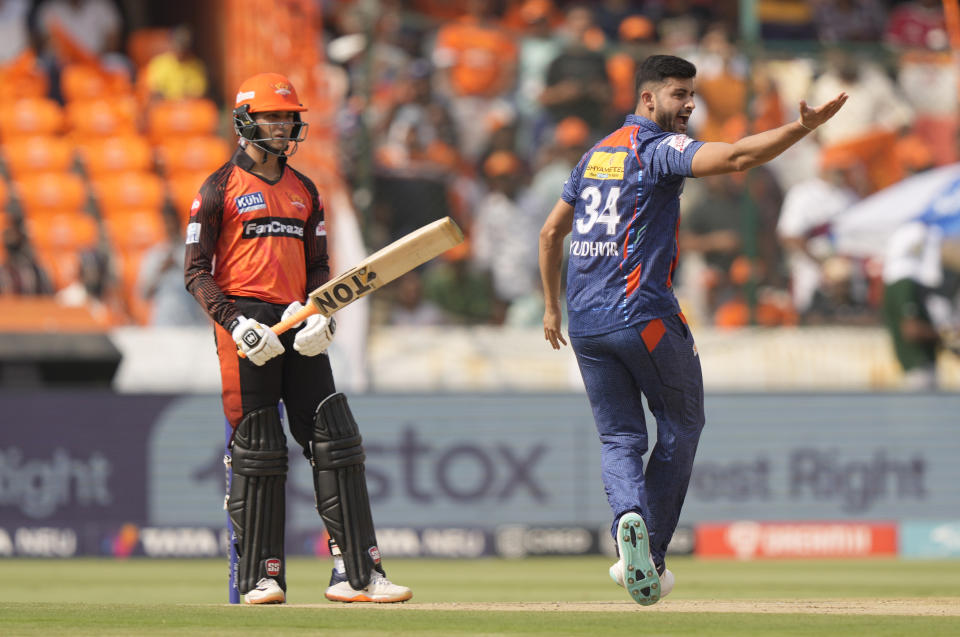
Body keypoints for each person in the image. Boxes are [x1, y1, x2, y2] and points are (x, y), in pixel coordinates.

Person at [538, 54, 847, 605]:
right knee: (682, 421)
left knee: (620, 438)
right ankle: (650, 552)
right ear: (648, 99)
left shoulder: (596, 154)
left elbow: (549, 233)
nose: (689, 105)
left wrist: (551, 308)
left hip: (585, 323)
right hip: (644, 316)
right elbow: (737, 158)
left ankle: (628, 520)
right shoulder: (656, 150)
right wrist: (801, 127)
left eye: (692, 95)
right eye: (679, 94)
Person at [184, 72, 411, 605]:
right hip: (245, 324)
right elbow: (196, 272)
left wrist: (322, 317)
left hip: (296, 317)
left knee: (335, 439)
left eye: (289, 117)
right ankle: (261, 578)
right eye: (273, 116)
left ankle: (356, 575)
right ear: (246, 121)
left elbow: (318, 268)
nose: (284, 126)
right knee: (258, 446)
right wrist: (235, 323)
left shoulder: (305, 190)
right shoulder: (218, 189)